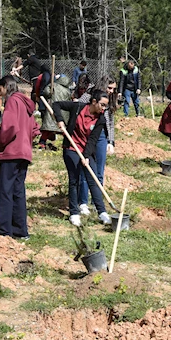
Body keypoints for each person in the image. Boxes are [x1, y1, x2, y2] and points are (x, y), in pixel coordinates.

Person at [0, 76, 40, 239]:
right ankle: (20, 230)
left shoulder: (12, 101)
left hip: (11, 152)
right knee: (18, 191)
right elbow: (35, 129)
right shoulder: (25, 103)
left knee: (5, 191)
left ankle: (5, 230)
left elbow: (10, 128)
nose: (0, 94)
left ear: (5, 86)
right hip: (24, 152)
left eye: (0, 90)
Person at [52, 91, 112, 227]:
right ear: (94, 102)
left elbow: (93, 140)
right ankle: (74, 213)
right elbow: (56, 104)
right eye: (102, 105)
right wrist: (60, 120)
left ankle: (102, 212)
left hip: (86, 150)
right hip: (71, 148)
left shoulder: (101, 119)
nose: (104, 108)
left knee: (93, 179)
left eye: (106, 106)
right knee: (74, 180)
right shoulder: (78, 107)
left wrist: (86, 156)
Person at [78, 76, 117, 215]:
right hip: (87, 134)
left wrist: (110, 141)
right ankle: (83, 202)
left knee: (99, 170)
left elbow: (110, 122)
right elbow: (78, 108)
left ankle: (97, 202)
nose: (112, 91)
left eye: (113, 89)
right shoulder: (89, 96)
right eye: (109, 88)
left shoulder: (109, 100)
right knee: (86, 167)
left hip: (101, 136)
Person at [39, 75, 73, 150]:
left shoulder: (53, 85)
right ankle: (67, 144)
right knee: (63, 130)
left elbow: (46, 93)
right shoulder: (67, 91)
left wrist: (50, 89)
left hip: (52, 109)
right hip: (63, 112)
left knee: (48, 129)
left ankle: (42, 143)